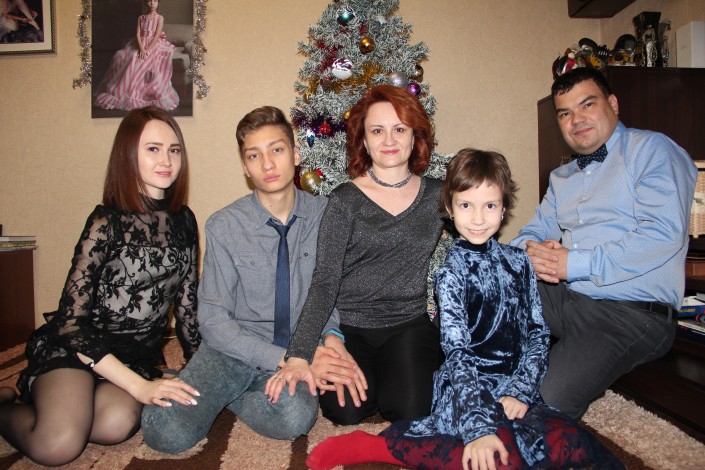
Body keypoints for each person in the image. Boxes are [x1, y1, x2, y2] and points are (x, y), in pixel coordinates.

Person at [304, 149, 622, 470]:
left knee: (571, 445)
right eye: (466, 206)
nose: (478, 218)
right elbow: (457, 354)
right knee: (496, 457)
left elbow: (538, 334)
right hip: (465, 389)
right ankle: (381, 447)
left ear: (504, 208)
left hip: (513, 385)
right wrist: (477, 427)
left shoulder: (520, 263)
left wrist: (521, 391)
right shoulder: (451, 275)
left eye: (490, 206)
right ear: (450, 210)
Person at [141, 106, 361, 454]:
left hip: (300, 346)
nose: (268, 164)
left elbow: (329, 291)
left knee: (295, 418)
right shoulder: (225, 225)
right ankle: (226, 390)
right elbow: (213, 319)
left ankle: (231, 397)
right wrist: (284, 359)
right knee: (166, 432)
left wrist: (330, 337)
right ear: (245, 167)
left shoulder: (325, 216)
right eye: (254, 155)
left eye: (277, 150)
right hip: (235, 349)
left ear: (296, 154)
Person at [0, 107, 201, 467]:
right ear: (128, 155)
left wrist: (202, 367)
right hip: (79, 349)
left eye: (174, 150)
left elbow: (187, 307)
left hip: (133, 356)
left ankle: (65, 405)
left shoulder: (185, 220)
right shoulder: (105, 221)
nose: (166, 160)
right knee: (58, 445)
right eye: (152, 149)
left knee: (115, 425)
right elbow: (71, 323)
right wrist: (139, 387)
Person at [511, 67, 697, 419]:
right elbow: (531, 233)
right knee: (485, 281)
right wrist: (531, 254)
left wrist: (573, 263)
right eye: (565, 113)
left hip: (631, 313)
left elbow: (662, 235)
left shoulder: (652, 149)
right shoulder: (561, 176)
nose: (576, 120)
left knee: (543, 402)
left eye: (587, 105)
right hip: (567, 299)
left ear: (613, 104)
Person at [266, 85, 445, 425]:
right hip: (351, 328)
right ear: (363, 139)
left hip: (408, 324)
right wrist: (299, 354)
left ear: (415, 137)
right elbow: (324, 281)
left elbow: (478, 222)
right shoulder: (344, 200)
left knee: (410, 410)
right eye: (377, 130)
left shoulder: (438, 196)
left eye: (399, 129)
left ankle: (398, 375)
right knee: (346, 411)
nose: (389, 140)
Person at [94, 0, 179, 111]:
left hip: (153, 44)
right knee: (129, 57)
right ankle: (125, 91)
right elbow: (138, 34)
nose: (152, 3)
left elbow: (157, 35)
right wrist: (141, 49)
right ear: (146, 3)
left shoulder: (159, 18)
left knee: (150, 62)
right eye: (149, 1)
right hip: (140, 44)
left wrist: (147, 49)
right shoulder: (141, 18)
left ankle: (149, 93)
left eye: (155, 1)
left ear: (158, 3)